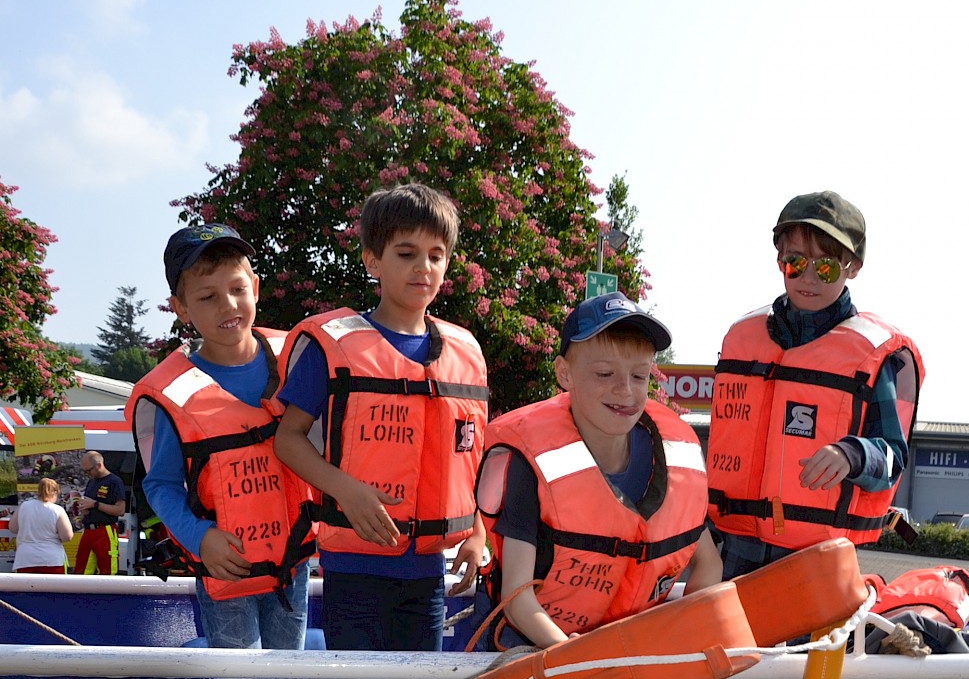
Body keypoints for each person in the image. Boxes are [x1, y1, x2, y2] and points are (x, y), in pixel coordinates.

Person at [274, 183, 488, 651]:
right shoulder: (330, 347)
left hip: (429, 571)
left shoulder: (465, 353)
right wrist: (345, 490)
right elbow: (287, 439)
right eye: (406, 253)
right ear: (373, 260)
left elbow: (469, 459)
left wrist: (477, 533)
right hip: (354, 567)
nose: (423, 267)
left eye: (435, 255)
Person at [476, 293, 722, 647]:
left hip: (634, 658)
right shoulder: (530, 462)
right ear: (565, 373)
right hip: (530, 647)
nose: (625, 391)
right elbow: (516, 597)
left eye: (639, 376)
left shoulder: (672, 458)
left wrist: (675, 643)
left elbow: (710, 565)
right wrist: (576, 659)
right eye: (605, 374)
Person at [707, 191, 924, 579]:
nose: (808, 278)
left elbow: (892, 455)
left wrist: (852, 455)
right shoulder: (743, 338)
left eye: (825, 268)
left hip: (816, 562)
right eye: (794, 263)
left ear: (852, 267)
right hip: (731, 551)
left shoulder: (870, 354)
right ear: (779, 260)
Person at [130, 224, 316, 650]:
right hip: (223, 565)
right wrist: (199, 538)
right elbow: (159, 484)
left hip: (293, 563)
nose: (227, 305)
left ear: (254, 286)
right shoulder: (174, 391)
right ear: (180, 308)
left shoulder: (296, 363)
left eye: (236, 288)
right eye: (207, 297)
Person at [72, 451, 126, 575]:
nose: (87, 474)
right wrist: (84, 508)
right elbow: (89, 504)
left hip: (105, 530)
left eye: (89, 471)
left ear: (99, 465)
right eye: (85, 471)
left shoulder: (114, 482)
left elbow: (120, 510)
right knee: (81, 570)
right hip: (88, 530)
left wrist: (96, 504)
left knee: (108, 570)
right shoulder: (92, 482)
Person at [13, 477, 73, 573]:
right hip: (52, 559)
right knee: (54, 588)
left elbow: (13, 528)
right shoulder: (57, 510)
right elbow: (67, 536)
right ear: (54, 492)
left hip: (25, 559)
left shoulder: (23, 506)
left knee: (27, 588)